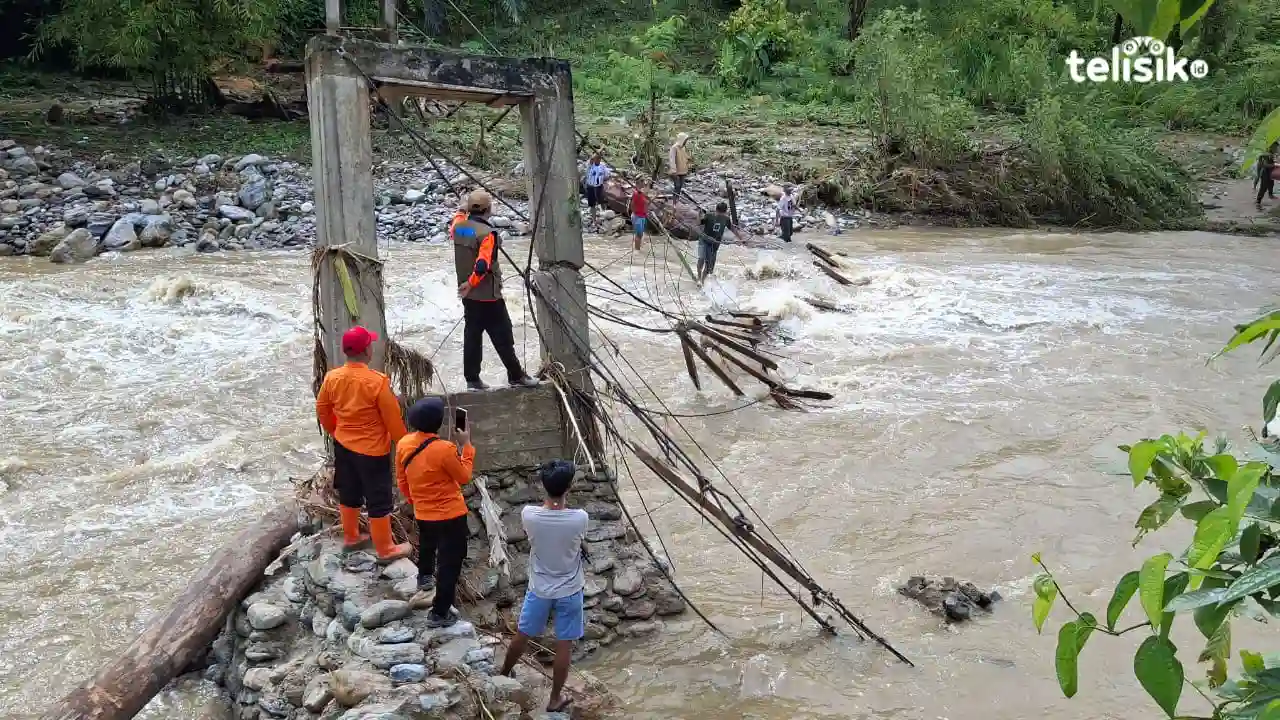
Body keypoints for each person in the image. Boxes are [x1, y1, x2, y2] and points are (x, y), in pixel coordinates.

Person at [315, 325, 412, 563]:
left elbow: (322, 410)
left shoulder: (332, 377)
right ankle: (386, 549)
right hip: (372, 451)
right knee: (378, 499)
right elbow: (393, 421)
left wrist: (336, 430)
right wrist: (406, 445)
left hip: (343, 445)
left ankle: (351, 537)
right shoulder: (376, 382)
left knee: (349, 491)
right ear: (367, 351)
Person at [498, 460, 588, 714]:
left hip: (539, 588)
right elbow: (573, 536)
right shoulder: (580, 518)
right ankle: (555, 698)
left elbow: (545, 517)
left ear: (543, 487)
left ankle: (503, 674)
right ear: (569, 487)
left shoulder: (529, 515)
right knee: (564, 644)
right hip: (570, 590)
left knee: (523, 632)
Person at [396, 397, 475, 628]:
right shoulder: (445, 449)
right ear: (440, 424)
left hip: (423, 511)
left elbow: (402, 479)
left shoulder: (403, 444)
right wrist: (466, 446)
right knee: (450, 563)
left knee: (428, 545)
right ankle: (440, 613)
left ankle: (424, 579)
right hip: (451, 515)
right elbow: (464, 477)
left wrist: (415, 500)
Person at [452, 189, 540, 391]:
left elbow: (458, 219)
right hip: (487, 295)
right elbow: (483, 264)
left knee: (472, 336)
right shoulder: (487, 234)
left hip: (469, 297)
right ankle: (516, 376)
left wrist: (462, 208)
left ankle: (472, 380)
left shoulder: (459, 228)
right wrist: (472, 282)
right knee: (503, 336)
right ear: (489, 209)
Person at [698, 202, 732, 285]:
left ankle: (701, 280)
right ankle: (699, 279)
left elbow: (732, 228)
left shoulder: (726, 219)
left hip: (713, 244)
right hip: (705, 241)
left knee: (706, 262)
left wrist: (699, 215)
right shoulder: (710, 215)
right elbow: (700, 223)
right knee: (702, 260)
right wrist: (700, 215)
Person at [583, 153, 611, 228]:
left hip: (599, 186)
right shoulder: (589, 165)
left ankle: (604, 216)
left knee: (601, 201)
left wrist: (603, 180)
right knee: (592, 204)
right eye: (596, 158)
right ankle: (594, 219)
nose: (598, 160)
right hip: (591, 186)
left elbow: (607, 175)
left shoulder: (602, 166)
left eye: (599, 158)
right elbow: (587, 167)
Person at [668, 133, 691, 202]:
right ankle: (674, 200)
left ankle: (677, 199)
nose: (686, 142)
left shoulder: (683, 148)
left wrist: (689, 159)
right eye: (685, 140)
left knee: (680, 186)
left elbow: (684, 156)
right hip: (676, 171)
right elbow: (672, 159)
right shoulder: (674, 148)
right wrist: (673, 170)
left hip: (683, 170)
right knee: (677, 186)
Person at [628, 181, 649, 251]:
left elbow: (646, 203)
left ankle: (638, 248)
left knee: (640, 234)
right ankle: (637, 250)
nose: (644, 184)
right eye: (643, 183)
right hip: (637, 216)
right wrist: (635, 213)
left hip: (642, 216)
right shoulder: (636, 194)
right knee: (638, 234)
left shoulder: (642, 194)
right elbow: (632, 205)